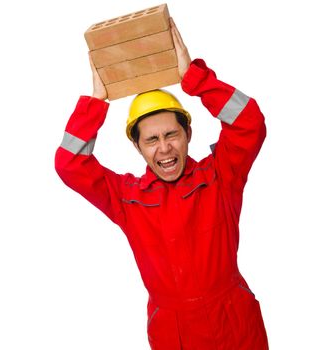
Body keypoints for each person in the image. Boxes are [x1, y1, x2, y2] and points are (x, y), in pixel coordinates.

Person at [55, 22, 269, 349]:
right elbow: (69, 164)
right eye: (151, 140)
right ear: (137, 147)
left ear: (188, 136)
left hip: (234, 321)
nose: (164, 148)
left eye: (171, 134)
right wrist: (96, 101)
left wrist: (195, 80)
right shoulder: (127, 198)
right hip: (173, 331)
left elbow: (249, 122)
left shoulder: (221, 176)